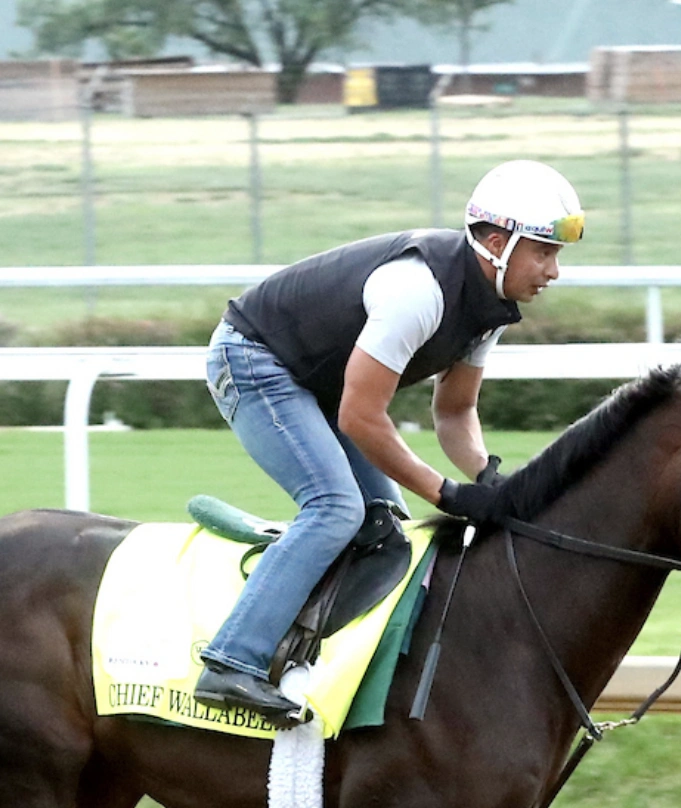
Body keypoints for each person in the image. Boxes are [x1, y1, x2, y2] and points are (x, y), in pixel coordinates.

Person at [194, 159, 585, 726]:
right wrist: (446, 494)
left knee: (386, 523)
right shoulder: (418, 290)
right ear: (497, 243)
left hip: (317, 384)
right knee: (335, 508)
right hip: (255, 360)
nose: (553, 271)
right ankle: (232, 660)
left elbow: (454, 412)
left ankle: (320, 659)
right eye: (544, 253)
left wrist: (488, 476)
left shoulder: (489, 308)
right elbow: (360, 415)